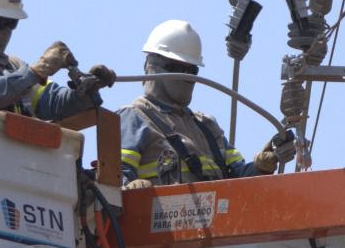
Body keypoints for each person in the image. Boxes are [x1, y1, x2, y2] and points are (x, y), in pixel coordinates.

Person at [118, 19, 297, 189]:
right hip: (159, 218)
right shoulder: (133, 118)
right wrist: (130, 189)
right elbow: (116, 176)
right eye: (176, 67)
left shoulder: (206, 126)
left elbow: (238, 179)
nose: (186, 76)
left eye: (191, 70)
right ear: (150, 66)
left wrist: (261, 166)